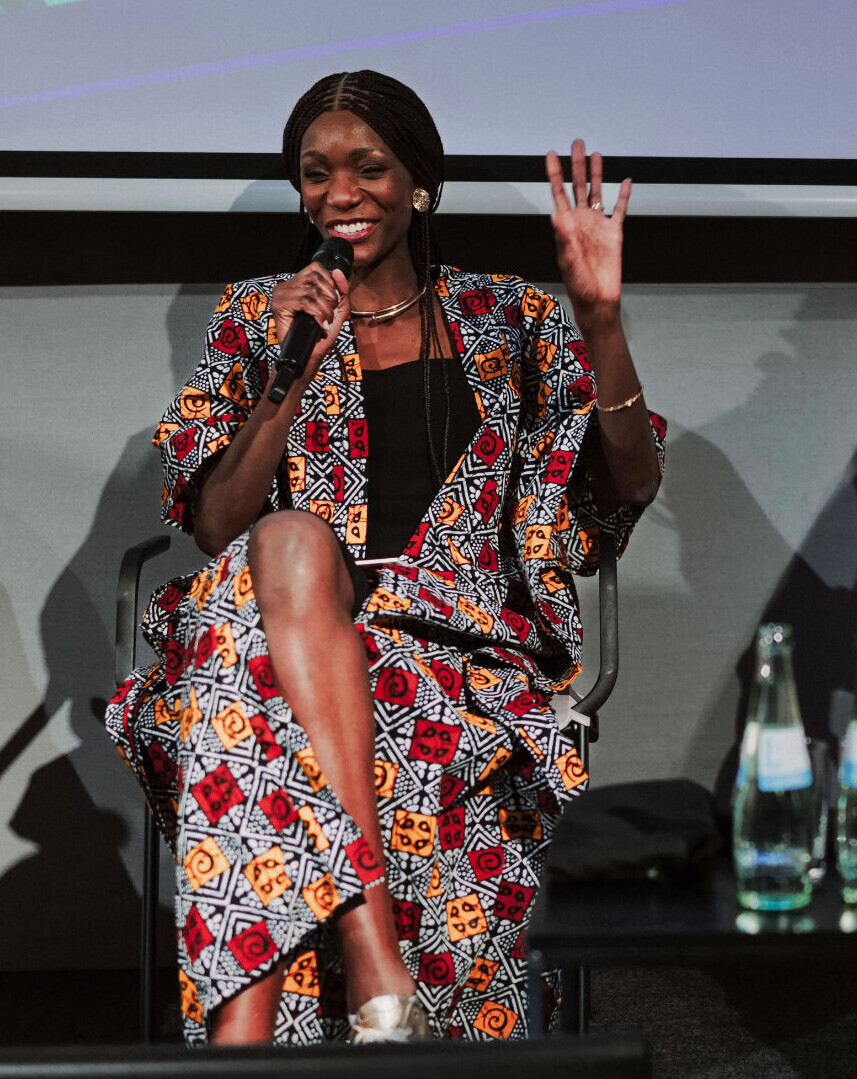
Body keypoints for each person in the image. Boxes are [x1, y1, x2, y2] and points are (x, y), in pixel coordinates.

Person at [102, 70, 663, 1045]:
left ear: (419, 183)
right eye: (316, 173)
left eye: (367, 167)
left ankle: (243, 1037)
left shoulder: (510, 318)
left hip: (451, 642)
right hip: (274, 620)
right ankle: (376, 964)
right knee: (278, 555)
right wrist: (288, 378)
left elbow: (627, 482)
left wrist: (602, 322)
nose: (340, 192)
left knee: (249, 692)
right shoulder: (256, 315)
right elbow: (217, 524)